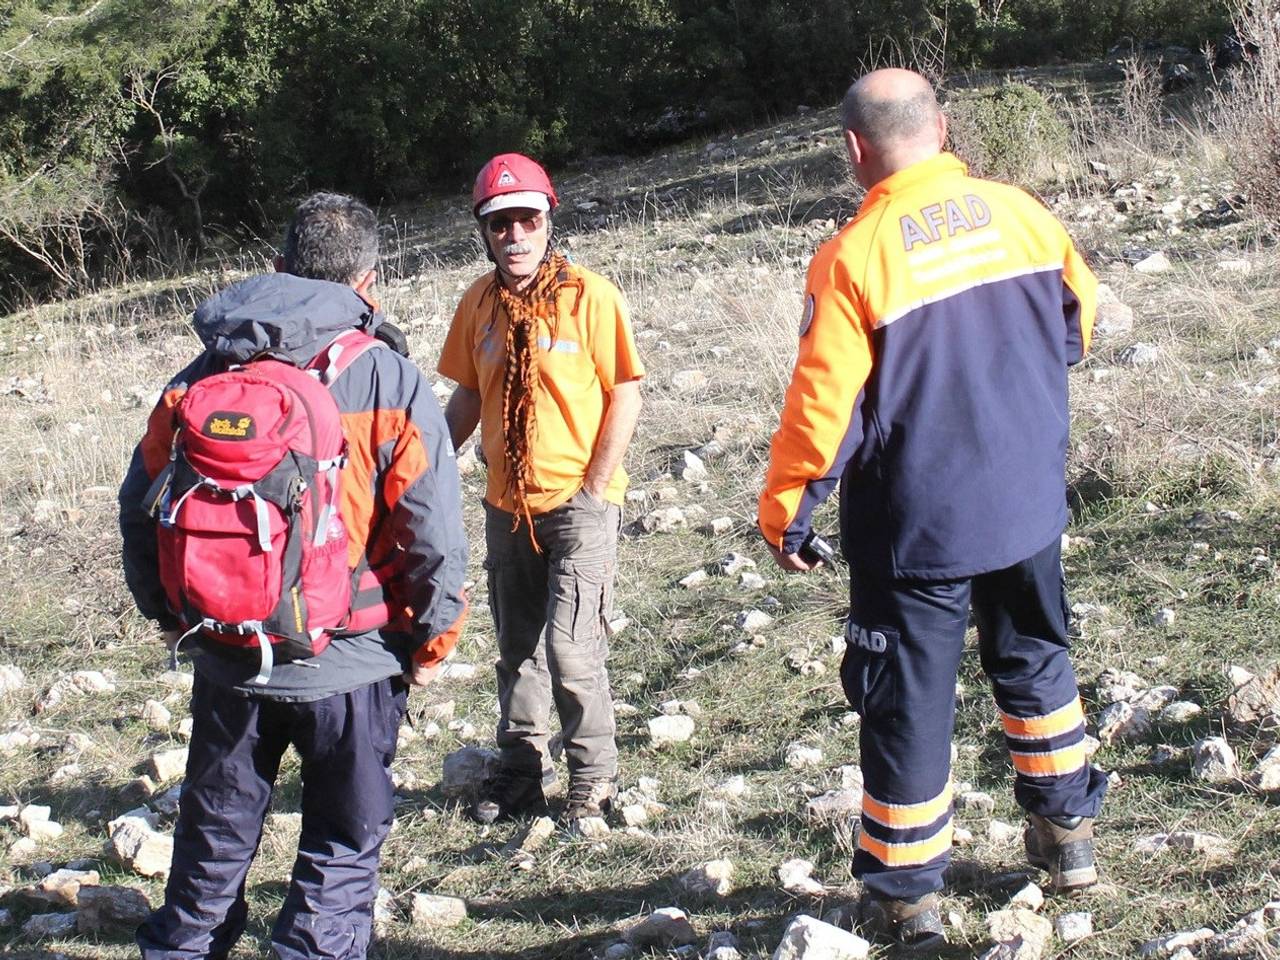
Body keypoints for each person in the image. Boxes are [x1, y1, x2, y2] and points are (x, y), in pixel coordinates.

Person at [758, 69, 1107, 948]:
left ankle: (907, 897)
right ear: (943, 128)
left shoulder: (853, 256)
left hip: (919, 524)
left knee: (908, 701)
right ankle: (1067, 837)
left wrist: (787, 512)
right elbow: (1078, 321)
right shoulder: (1020, 211)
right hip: (1026, 497)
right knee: (1036, 659)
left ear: (852, 149)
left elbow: (824, 409)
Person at [118, 192, 469, 960]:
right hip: (353, 662)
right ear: (368, 283)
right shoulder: (389, 379)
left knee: (209, 851)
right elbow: (433, 542)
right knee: (340, 853)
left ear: (278, 268)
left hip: (228, 653)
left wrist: (178, 617)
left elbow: (140, 507)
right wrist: (424, 647)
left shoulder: (203, 373)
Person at [437, 153, 644, 827]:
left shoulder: (591, 296)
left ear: (548, 220)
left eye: (527, 220)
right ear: (485, 232)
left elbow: (626, 393)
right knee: (517, 646)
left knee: (571, 648)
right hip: (507, 504)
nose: (516, 236)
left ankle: (593, 780)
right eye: (501, 225)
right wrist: (432, 459)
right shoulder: (478, 303)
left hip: (579, 505)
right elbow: (469, 392)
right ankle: (521, 773)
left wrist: (593, 486)